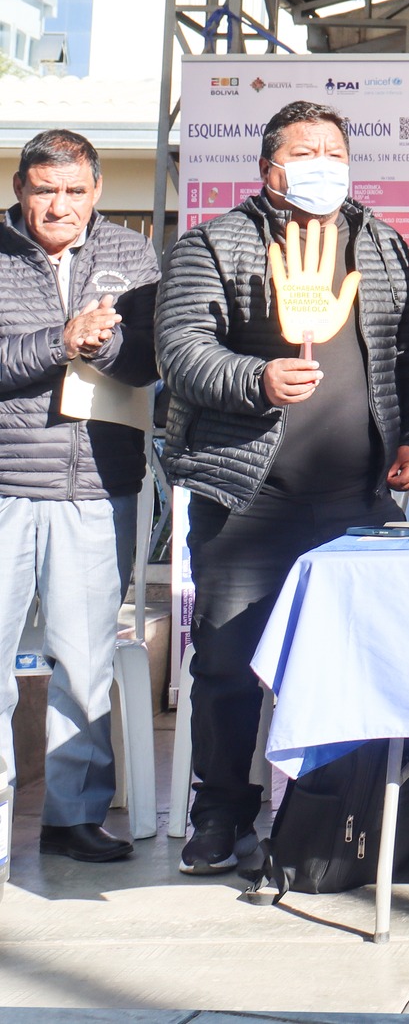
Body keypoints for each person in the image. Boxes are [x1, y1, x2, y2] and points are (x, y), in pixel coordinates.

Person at [156, 101, 409, 876]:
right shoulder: (215, 244)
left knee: (360, 656)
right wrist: (259, 378)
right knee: (227, 659)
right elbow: (180, 351)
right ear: (268, 169)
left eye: (334, 151)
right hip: (248, 497)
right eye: (305, 152)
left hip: (357, 496)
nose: (323, 164)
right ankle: (220, 810)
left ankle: (330, 813)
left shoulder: (381, 243)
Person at [0, 130, 158, 863]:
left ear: (96, 191)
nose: (58, 205)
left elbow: (150, 357)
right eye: (43, 190)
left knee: (85, 660)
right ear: (20, 189)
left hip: (98, 485)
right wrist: (61, 341)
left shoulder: (132, 253)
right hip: (6, 484)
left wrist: (104, 346)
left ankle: (74, 815)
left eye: (73, 190)